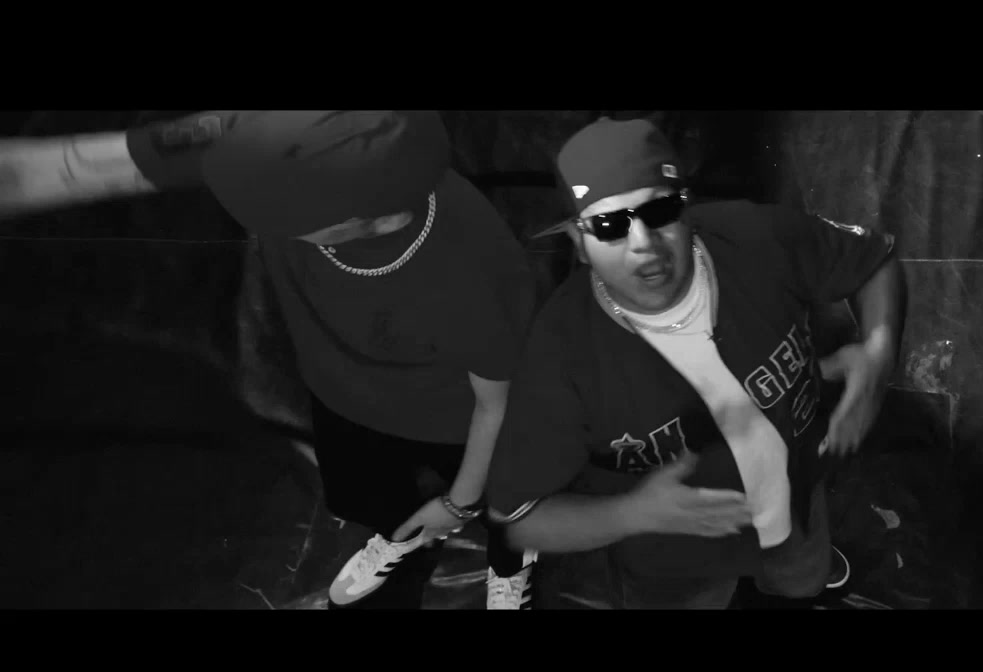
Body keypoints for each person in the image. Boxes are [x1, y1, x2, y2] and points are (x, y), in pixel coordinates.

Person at [0, 111, 537, 609]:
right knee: (368, 499)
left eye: (276, 213)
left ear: (368, 218)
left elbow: (496, 407)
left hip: (450, 420)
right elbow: (38, 172)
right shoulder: (268, 138)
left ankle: (512, 563)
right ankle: (398, 540)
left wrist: (458, 504)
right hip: (340, 400)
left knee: (506, 505)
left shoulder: (468, 278)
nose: (252, 216)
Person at [484, 117, 906, 609]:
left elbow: (872, 262)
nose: (643, 242)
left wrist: (878, 355)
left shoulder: (758, 238)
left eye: (659, 210)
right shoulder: (561, 358)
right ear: (579, 244)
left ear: (686, 207)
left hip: (799, 507)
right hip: (674, 565)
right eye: (609, 225)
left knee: (800, 582)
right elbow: (519, 519)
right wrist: (633, 514)